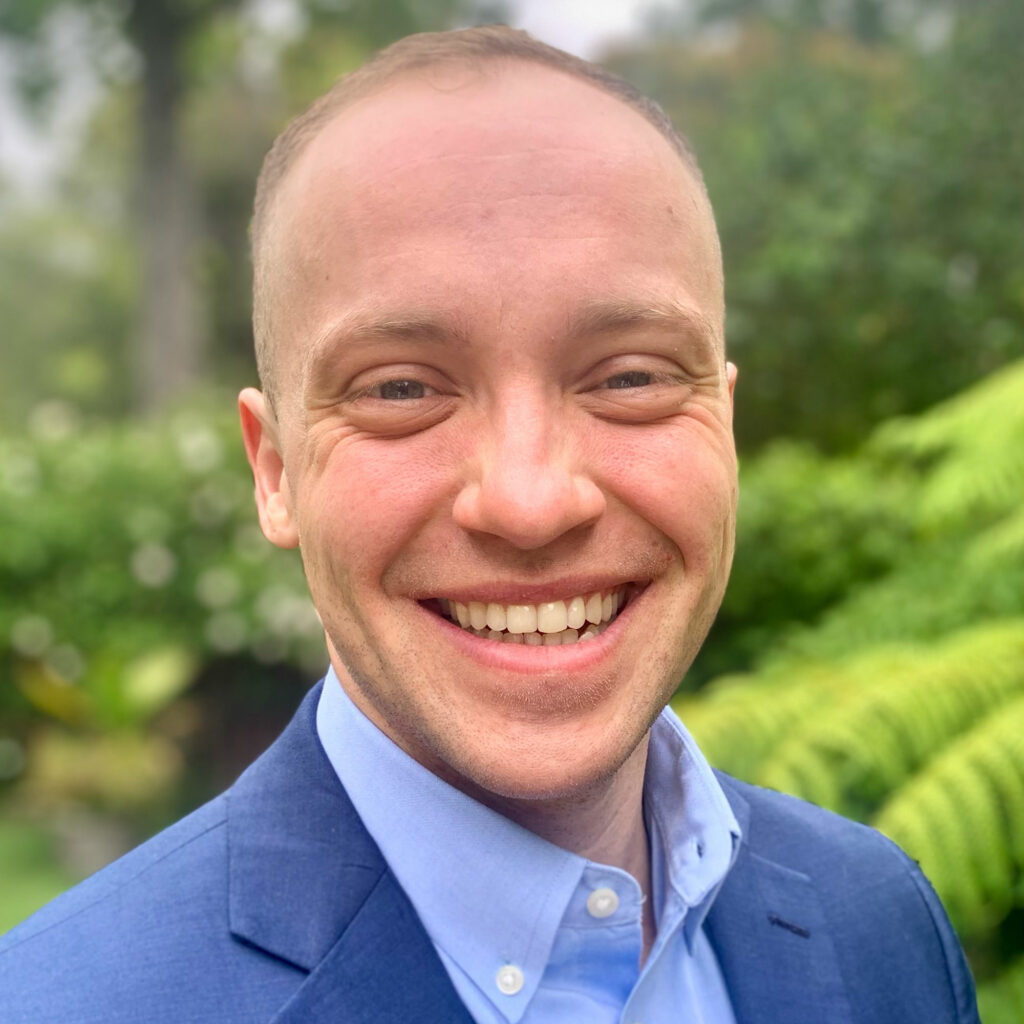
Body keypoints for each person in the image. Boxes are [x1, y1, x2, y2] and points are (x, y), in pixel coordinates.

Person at [0, 25, 980, 1024]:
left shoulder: (880, 924)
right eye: (400, 388)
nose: (530, 499)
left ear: (723, 423)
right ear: (276, 470)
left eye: (631, 376)